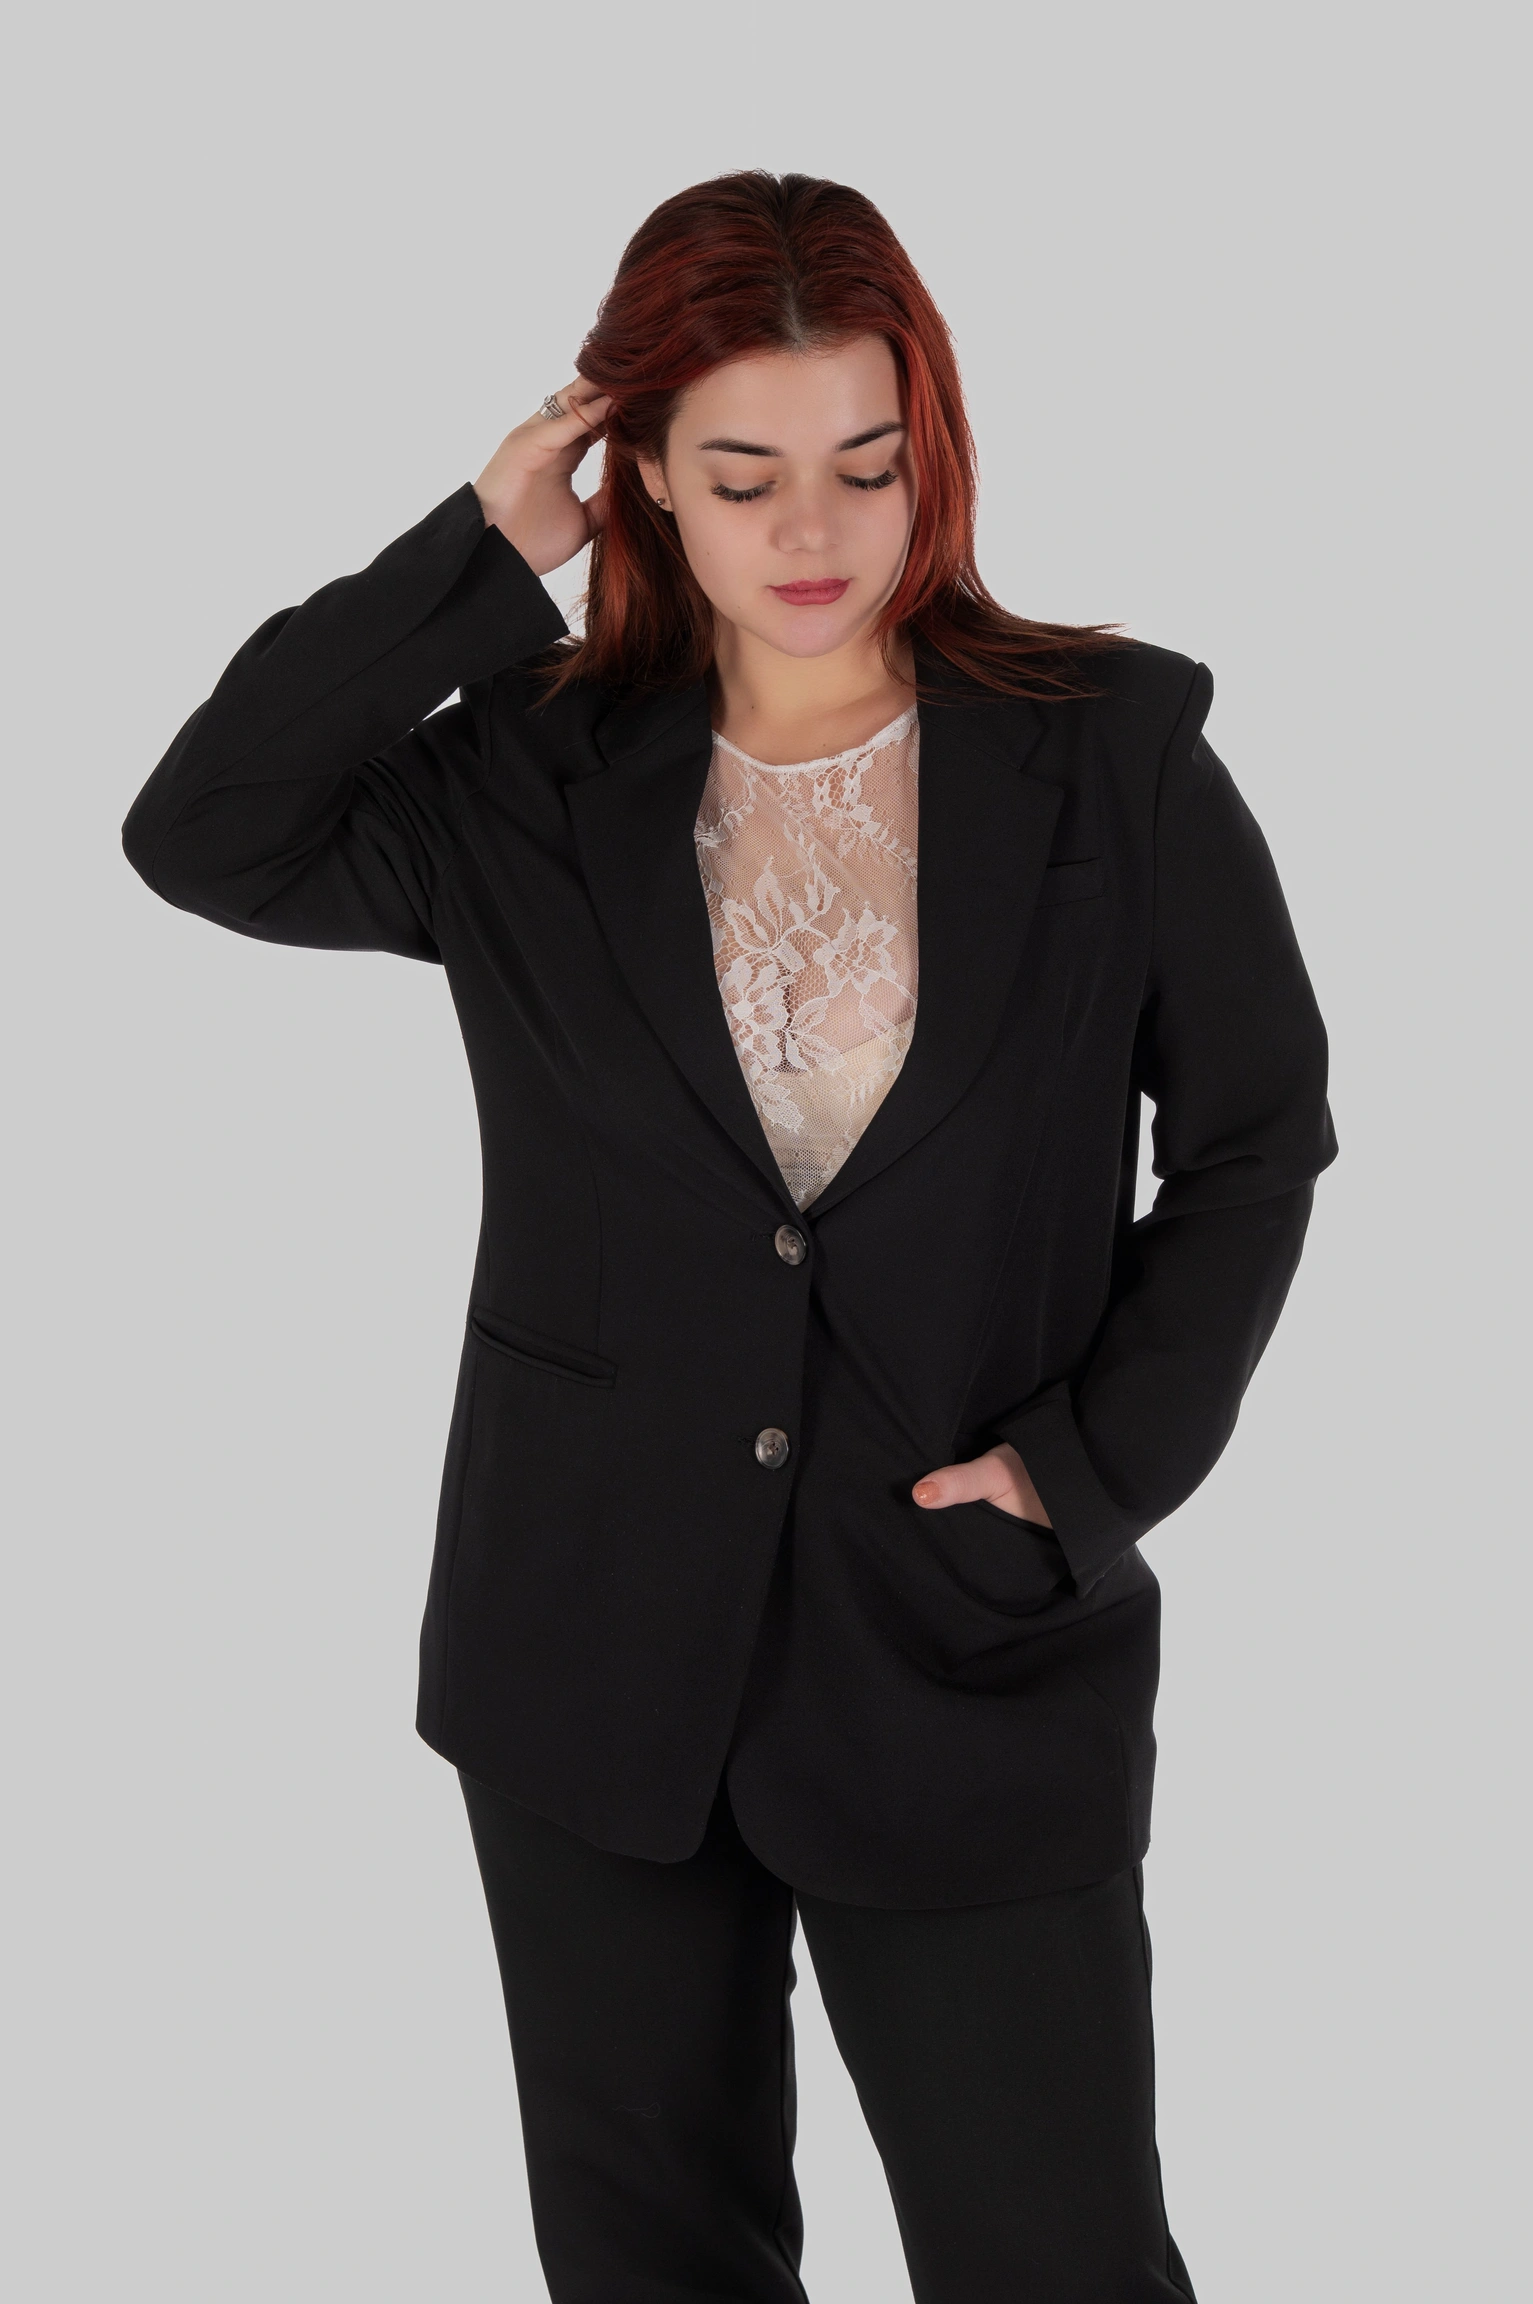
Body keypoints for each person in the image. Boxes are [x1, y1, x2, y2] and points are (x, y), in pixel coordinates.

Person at [123, 170, 1335, 2303]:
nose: (812, 531)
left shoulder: (1108, 754)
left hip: (962, 1636)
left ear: (929, 448)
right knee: (649, 2263)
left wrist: (1082, 1476)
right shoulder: (522, 777)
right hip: (583, 1640)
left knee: (1055, 2257)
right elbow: (202, 828)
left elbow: (1253, 1141)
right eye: (743, 473)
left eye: (865, 463)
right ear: (645, 475)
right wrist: (475, 555)